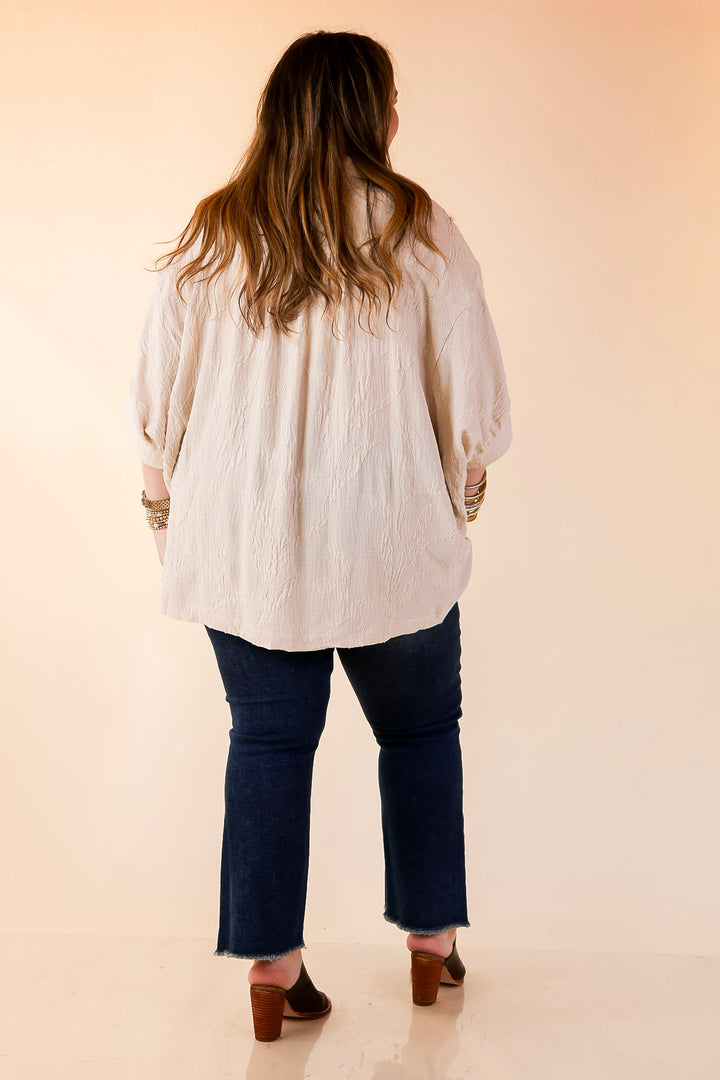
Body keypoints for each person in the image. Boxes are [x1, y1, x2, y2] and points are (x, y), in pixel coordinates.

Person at [122, 29, 512, 1042]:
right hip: (392, 544)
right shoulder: (420, 229)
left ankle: (271, 966)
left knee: (267, 742)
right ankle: (432, 945)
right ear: (367, 112)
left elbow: (157, 416)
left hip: (244, 553)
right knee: (422, 735)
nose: (397, 117)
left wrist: (169, 516)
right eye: (390, 99)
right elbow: (476, 411)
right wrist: (462, 495)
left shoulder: (215, 232)